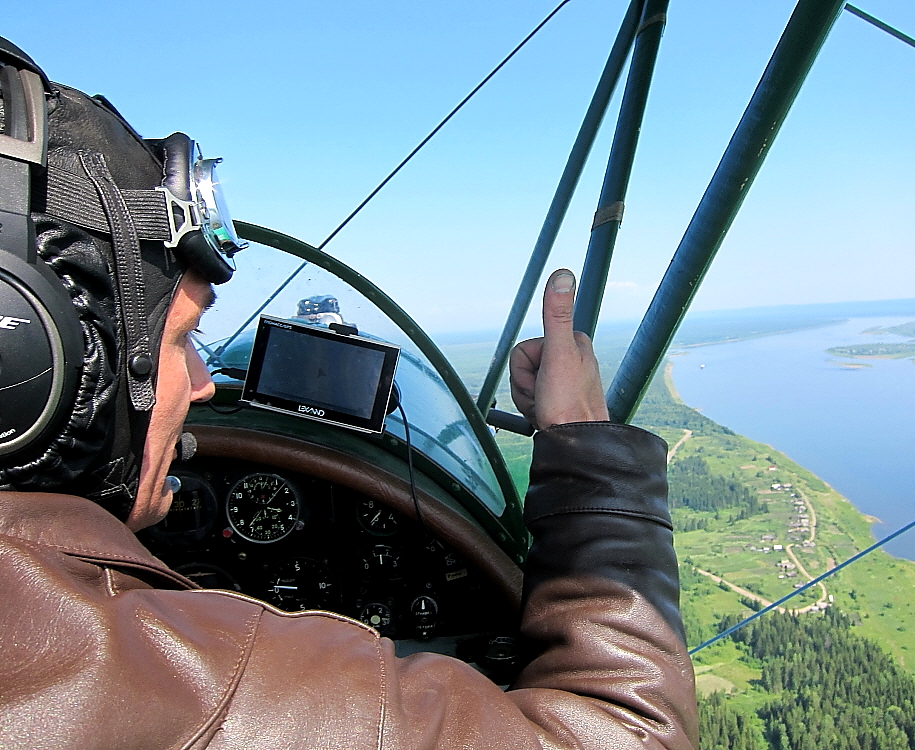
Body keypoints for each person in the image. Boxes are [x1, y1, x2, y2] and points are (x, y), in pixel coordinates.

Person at [0, 40, 697, 749]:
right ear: (29, 364)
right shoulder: (222, 698)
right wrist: (581, 435)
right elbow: (631, 734)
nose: (204, 384)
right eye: (182, 341)